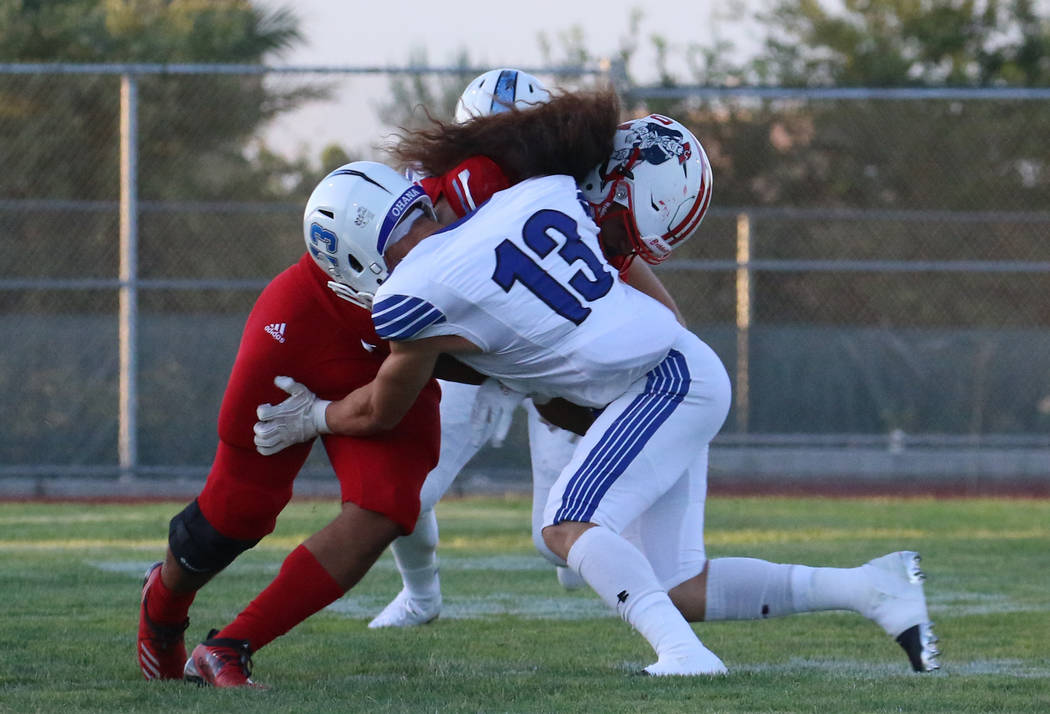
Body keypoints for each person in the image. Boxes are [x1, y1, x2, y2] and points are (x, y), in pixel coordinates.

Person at [256, 152, 940, 675]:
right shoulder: (529, 194)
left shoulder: (412, 293)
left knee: (566, 523)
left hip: (661, 384)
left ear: (351, 249)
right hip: (675, 364)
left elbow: (380, 409)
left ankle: (684, 657)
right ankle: (872, 588)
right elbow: (622, 264)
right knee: (678, 584)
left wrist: (313, 417)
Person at [136, 91, 623, 687]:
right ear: (359, 268)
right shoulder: (298, 314)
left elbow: (381, 411)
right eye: (402, 244)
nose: (427, 244)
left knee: (386, 508)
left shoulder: (462, 227)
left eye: (424, 222)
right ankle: (162, 609)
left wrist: (597, 403)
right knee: (238, 513)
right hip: (300, 344)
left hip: (387, 369)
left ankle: (229, 647)